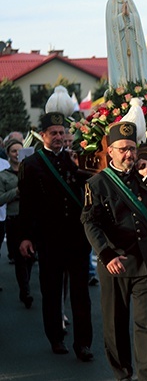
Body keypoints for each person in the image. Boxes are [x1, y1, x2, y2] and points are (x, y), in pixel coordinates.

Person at [81, 121, 147, 381]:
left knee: (146, 324)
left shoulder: (146, 175)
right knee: (115, 325)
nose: (129, 154)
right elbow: (90, 222)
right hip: (115, 263)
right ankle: (123, 375)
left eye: (132, 148)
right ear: (110, 151)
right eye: (122, 149)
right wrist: (106, 254)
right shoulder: (98, 183)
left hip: (146, 263)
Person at [18, 112, 93, 361]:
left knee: (81, 292)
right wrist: (25, 237)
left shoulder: (77, 161)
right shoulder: (32, 165)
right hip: (49, 238)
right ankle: (56, 337)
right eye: (54, 133)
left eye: (62, 133)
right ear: (43, 136)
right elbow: (26, 205)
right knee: (51, 291)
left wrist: (78, 165)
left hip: (76, 237)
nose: (59, 137)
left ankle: (83, 343)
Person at [0, 140, 34, 307]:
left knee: (31, 257)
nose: (16, 154)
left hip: (31, 218)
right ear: (9, 154)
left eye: (19, 151)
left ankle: (26, 283)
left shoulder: (31, 171)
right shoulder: (3, 175)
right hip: (15, 219)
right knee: (20, 257)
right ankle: (25, 290)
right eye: (13, 151)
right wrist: (17, 192)